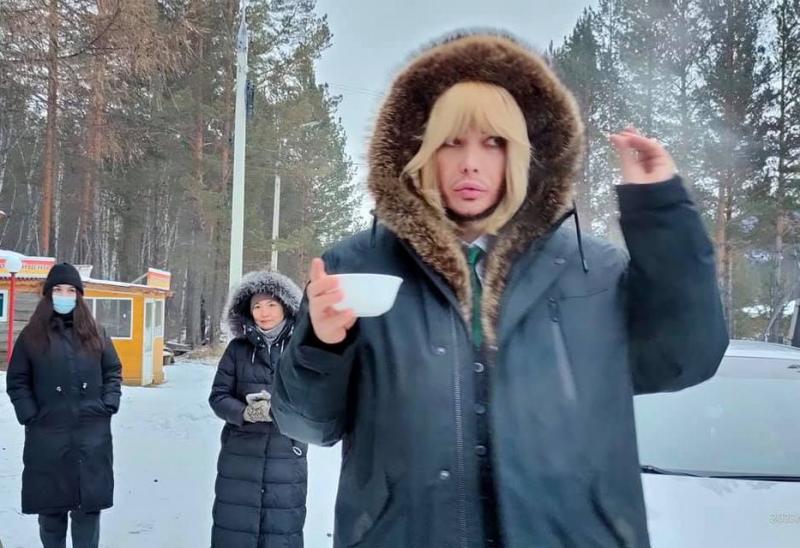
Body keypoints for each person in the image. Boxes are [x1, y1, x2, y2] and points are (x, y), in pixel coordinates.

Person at [272, 32, 730, 547]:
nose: (471, 162)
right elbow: (304, 423)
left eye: (493, 142)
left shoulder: (593, 270)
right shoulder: (357, 267)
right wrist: (322, 344)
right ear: (421, 152)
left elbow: (684, 361)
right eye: (452, 141)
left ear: (523, 155)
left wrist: (662, 211)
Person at [6, 262, 122, 548]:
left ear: (79, 296)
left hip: (91, 437)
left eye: (71, 290)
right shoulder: (32, 336)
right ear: (48, 294)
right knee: (51, 512)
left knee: (87, 511)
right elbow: (17, 380)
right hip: (47, 437)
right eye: (58, 289)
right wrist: (30, 414)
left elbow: (112, 371)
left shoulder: (96, 333)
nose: (64, 295)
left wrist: (108, 403)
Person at [209, 270, 308, 547]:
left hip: (285, 456)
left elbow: (314, 399)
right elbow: (218, 397)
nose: (263, 313)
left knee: (281, 532)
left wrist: (278, 407)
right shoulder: (237, 349)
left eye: (271, 304)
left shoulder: (301, 349)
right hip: (240, 456)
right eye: (257, 306)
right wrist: (244, 412)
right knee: (235, 531)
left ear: (285, 306)